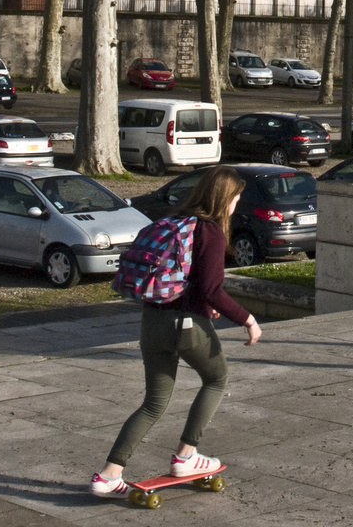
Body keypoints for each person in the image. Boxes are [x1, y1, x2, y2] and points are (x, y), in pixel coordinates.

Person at [90, 166, 262, 497]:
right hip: (184, 326)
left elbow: (188, 281)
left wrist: (203, 303)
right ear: (225, 198)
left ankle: (109, 476)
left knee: (153, 403)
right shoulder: (211, 232)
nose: (236, 205)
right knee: (216, 379)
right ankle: (186, 455)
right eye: (236, 198)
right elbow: (213, 289)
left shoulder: (175, 222)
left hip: (152, 321)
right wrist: (247, 319)